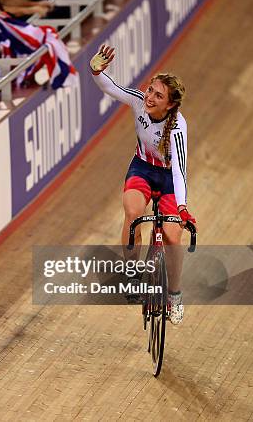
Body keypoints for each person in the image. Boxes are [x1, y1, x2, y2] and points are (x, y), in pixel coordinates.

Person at [89, 44, 196, 325]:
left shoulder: (177, 128)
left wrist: (182, 208)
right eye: (150, 90)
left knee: (173, 238)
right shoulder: (138, 100)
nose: (149, 97)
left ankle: (174, 294)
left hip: (169, 178)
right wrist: (96, 70)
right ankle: (133, 272)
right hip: (142, 169)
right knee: (133, 214)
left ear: (170, 104)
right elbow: (111, 88)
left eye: (158, 95)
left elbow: (181, 172)